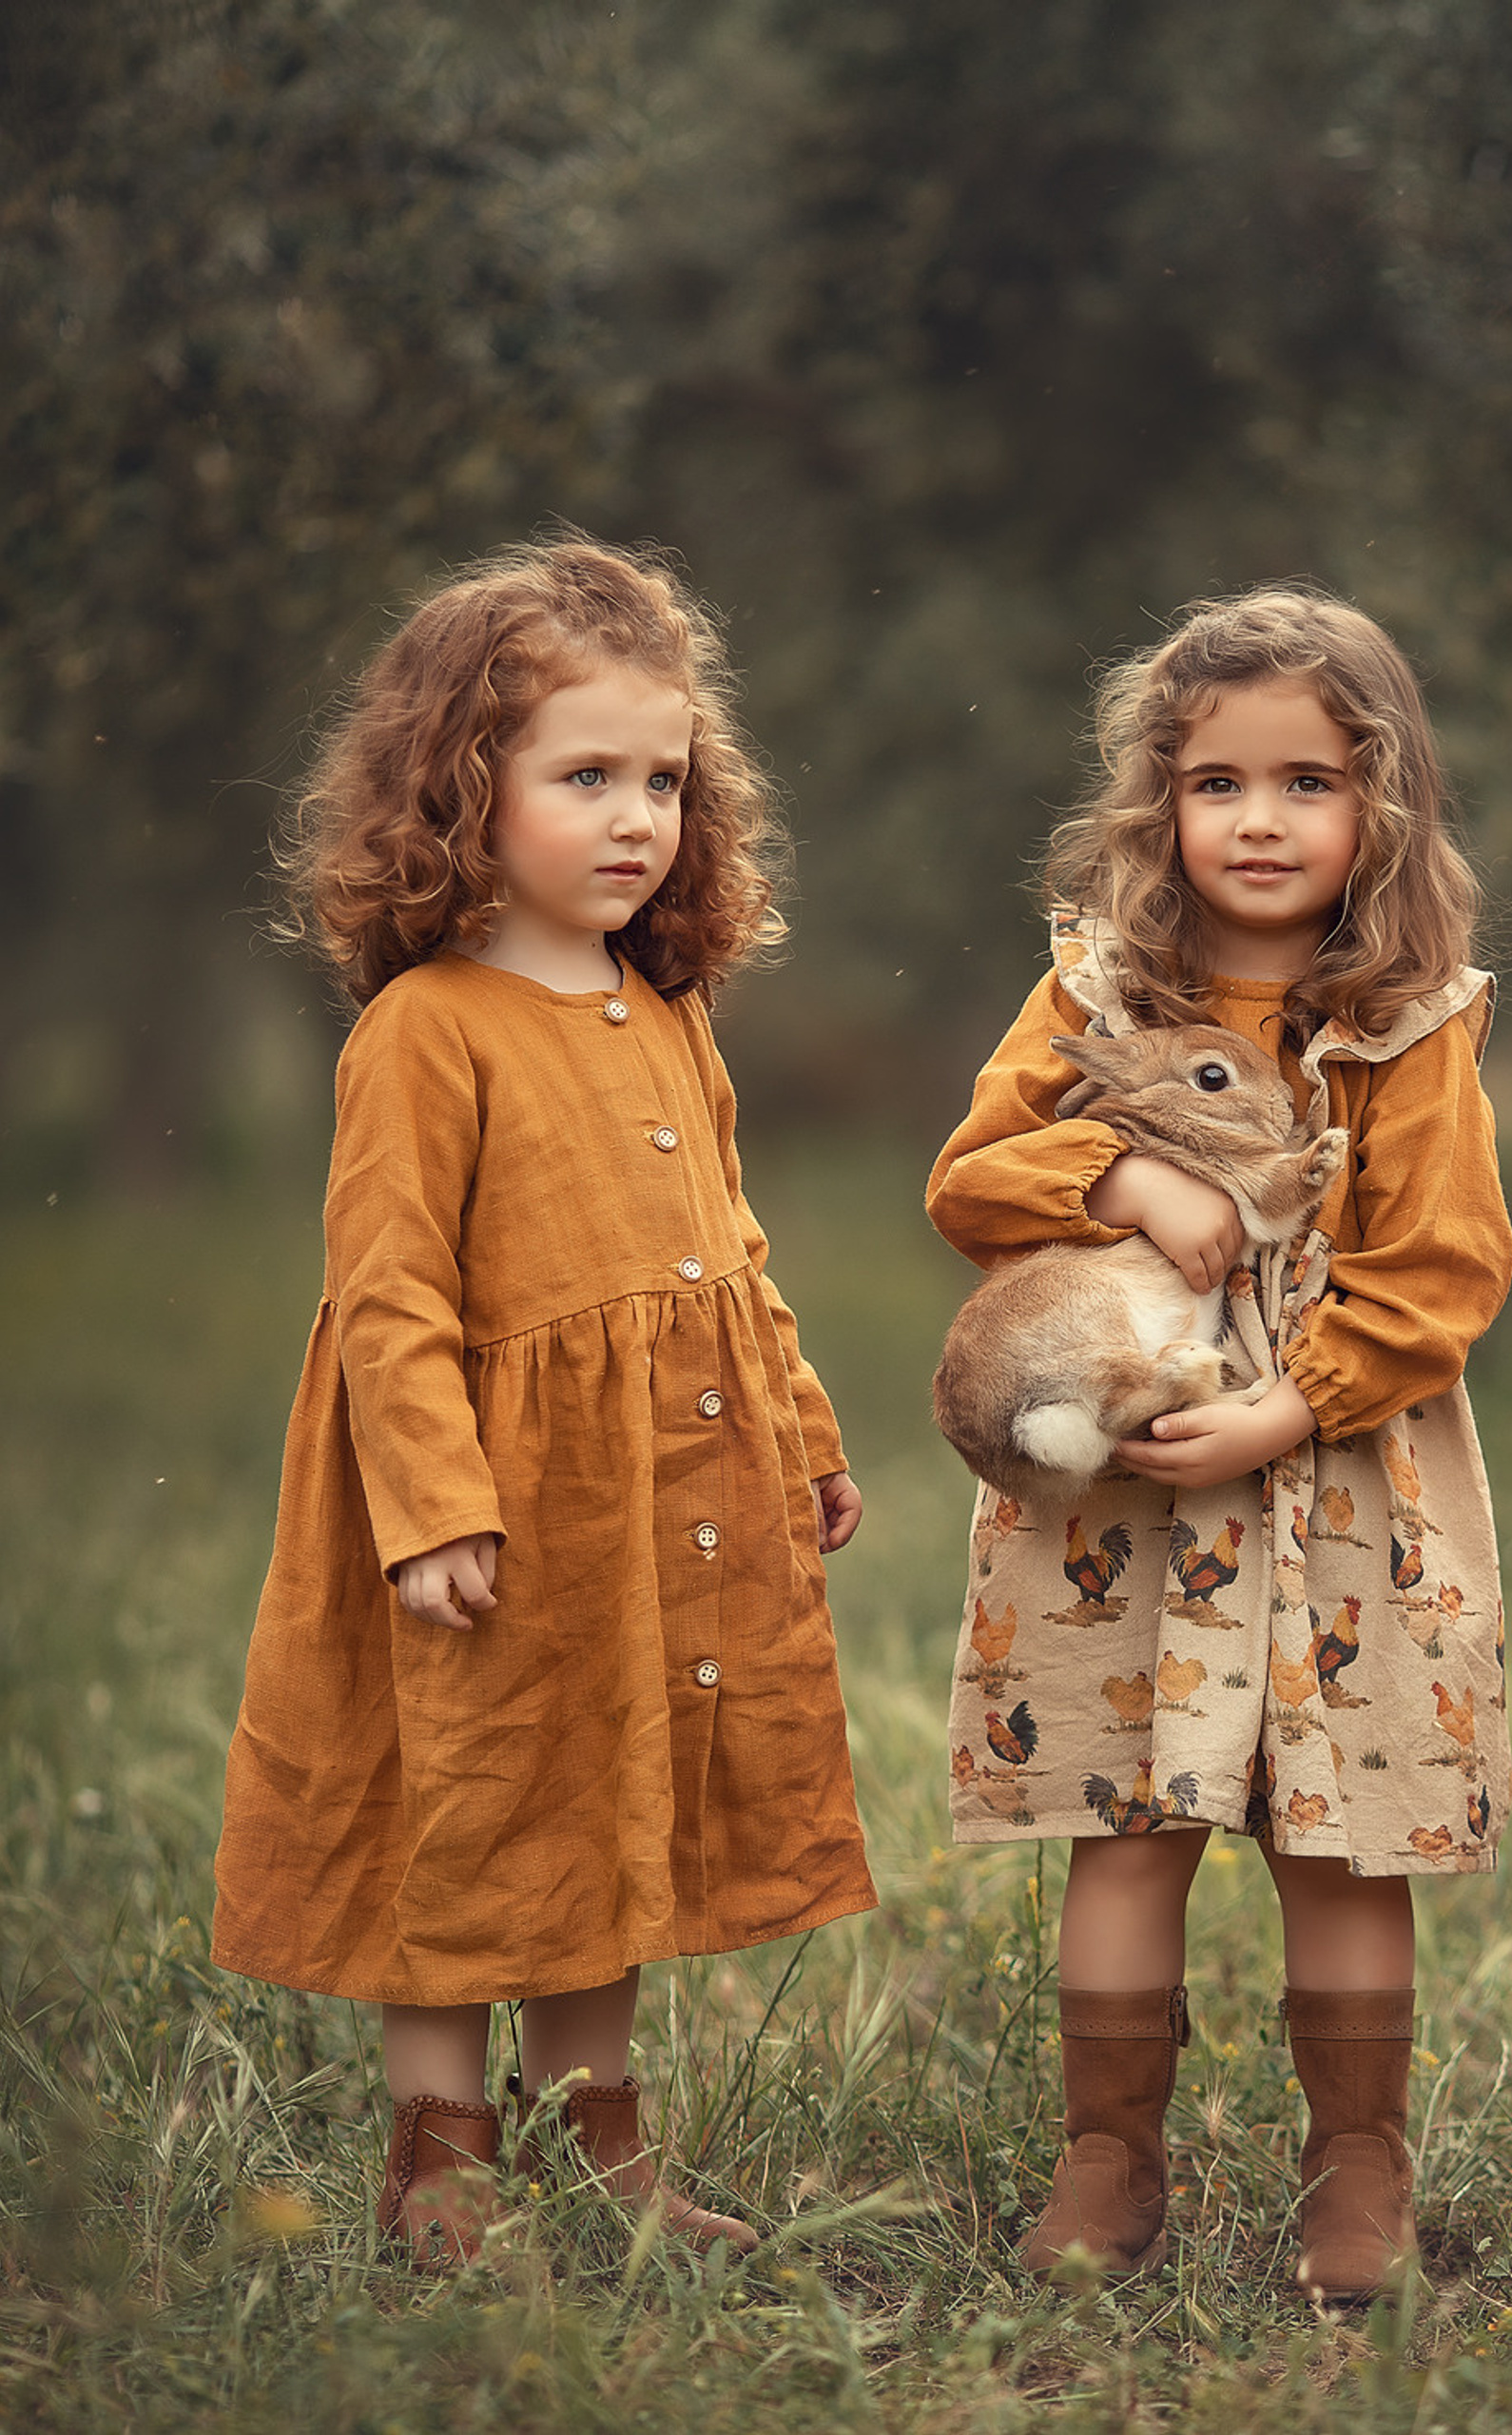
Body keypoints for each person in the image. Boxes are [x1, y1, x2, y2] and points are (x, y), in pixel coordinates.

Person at [213, 536, 875, 2268]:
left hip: (643, 1503)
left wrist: (800, 1430)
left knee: (607, 1804)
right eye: (586, 777)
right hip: (495, 1514)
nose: (636, 816)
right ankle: (438, 2171)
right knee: (473, 1804)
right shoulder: (425, 1030)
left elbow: (731, 1248)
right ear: (460, 790)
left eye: (664, 779)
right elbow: (388, 1294)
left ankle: (604, 2157)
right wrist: (433, 1505)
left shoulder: (667, 1009)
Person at [927, 589, 1512, 2301]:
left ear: (1379, 806)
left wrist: (1289, 1402)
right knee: (1128, 1814)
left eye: (1308, 783)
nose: (1260, 821)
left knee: (1341, 1831)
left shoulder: (1412, 1022)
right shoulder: (1096, 996)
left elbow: (1446, 1265)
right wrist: (1120, 1177)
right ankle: (1108, 2153)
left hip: (1340, 1476)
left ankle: (1358, 2164)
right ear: (1160, 803)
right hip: (1129, 1490)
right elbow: (972, 1178)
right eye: (1217, 784)